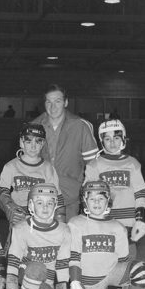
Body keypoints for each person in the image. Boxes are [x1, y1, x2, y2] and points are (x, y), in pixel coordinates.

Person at [68, 181, 145, 289]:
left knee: (139, 269)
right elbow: (73, 256)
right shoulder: (75, 223)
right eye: (92, 198)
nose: (96, 202)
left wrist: (132, 240)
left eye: (101, 198)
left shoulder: (117, 227)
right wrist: (75, 281)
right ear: (84, 201)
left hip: (111, 271)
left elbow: (123, 260)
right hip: (89, 278)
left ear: (108, 200)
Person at [4, 183, 71, 289]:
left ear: (55, 205)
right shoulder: (21, 228)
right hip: (27, 272)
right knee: (37, 268)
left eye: (50, 203)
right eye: (40, 202)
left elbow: (62, 265)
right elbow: (14, 261)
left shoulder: (64, 230)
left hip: (48, 278)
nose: (45, 207)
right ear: (31, 205)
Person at [34, 84, 98, 222]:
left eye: (57, 101)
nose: (53, 107)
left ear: (66, 102)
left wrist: (90, 197)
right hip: (40, 197)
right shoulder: (33, 126)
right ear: (44, 104)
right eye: (48, 102)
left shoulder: (81, 126)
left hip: (71, 199)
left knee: (68, 241)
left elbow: (94, 166)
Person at [84, 120, 145, 257]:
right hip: (105, 219)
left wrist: (140, 219)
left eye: (116, 138)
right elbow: (87, 195)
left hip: (129, 220)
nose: (112, 143)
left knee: (128, 257)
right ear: (102, 141)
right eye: (107, 139)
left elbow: (140, 192)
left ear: (123, 139)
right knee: (105, 257)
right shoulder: (94, 165)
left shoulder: (133, 163)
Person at [0, 123, 65, 227]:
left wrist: (60, 220)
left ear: (42, 144)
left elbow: (57, 197)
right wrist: (10, 208)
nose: (33, 146)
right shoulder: (10, 166)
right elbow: (1, 193)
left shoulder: (48, 169)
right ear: (21, 142)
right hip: (18, 217)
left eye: (38, 141)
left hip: (43, 216)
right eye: (28, 141)